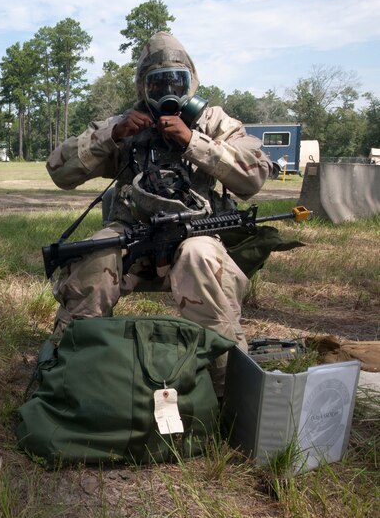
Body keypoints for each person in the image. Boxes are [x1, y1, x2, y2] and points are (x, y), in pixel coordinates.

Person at [45, 31, 271, 395]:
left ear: (190, 83)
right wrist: (112, 136)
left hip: (194, 235)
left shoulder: (212, 122)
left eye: (176, 81)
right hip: (130, 236)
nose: (168, 90)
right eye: (157, 82)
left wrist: (192, 141)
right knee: (95, 255)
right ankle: (70, 377)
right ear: (142, 87)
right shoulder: (126, 125)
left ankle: (231, 391)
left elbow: (255, 174)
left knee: (202, 258)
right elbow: (59, 169)